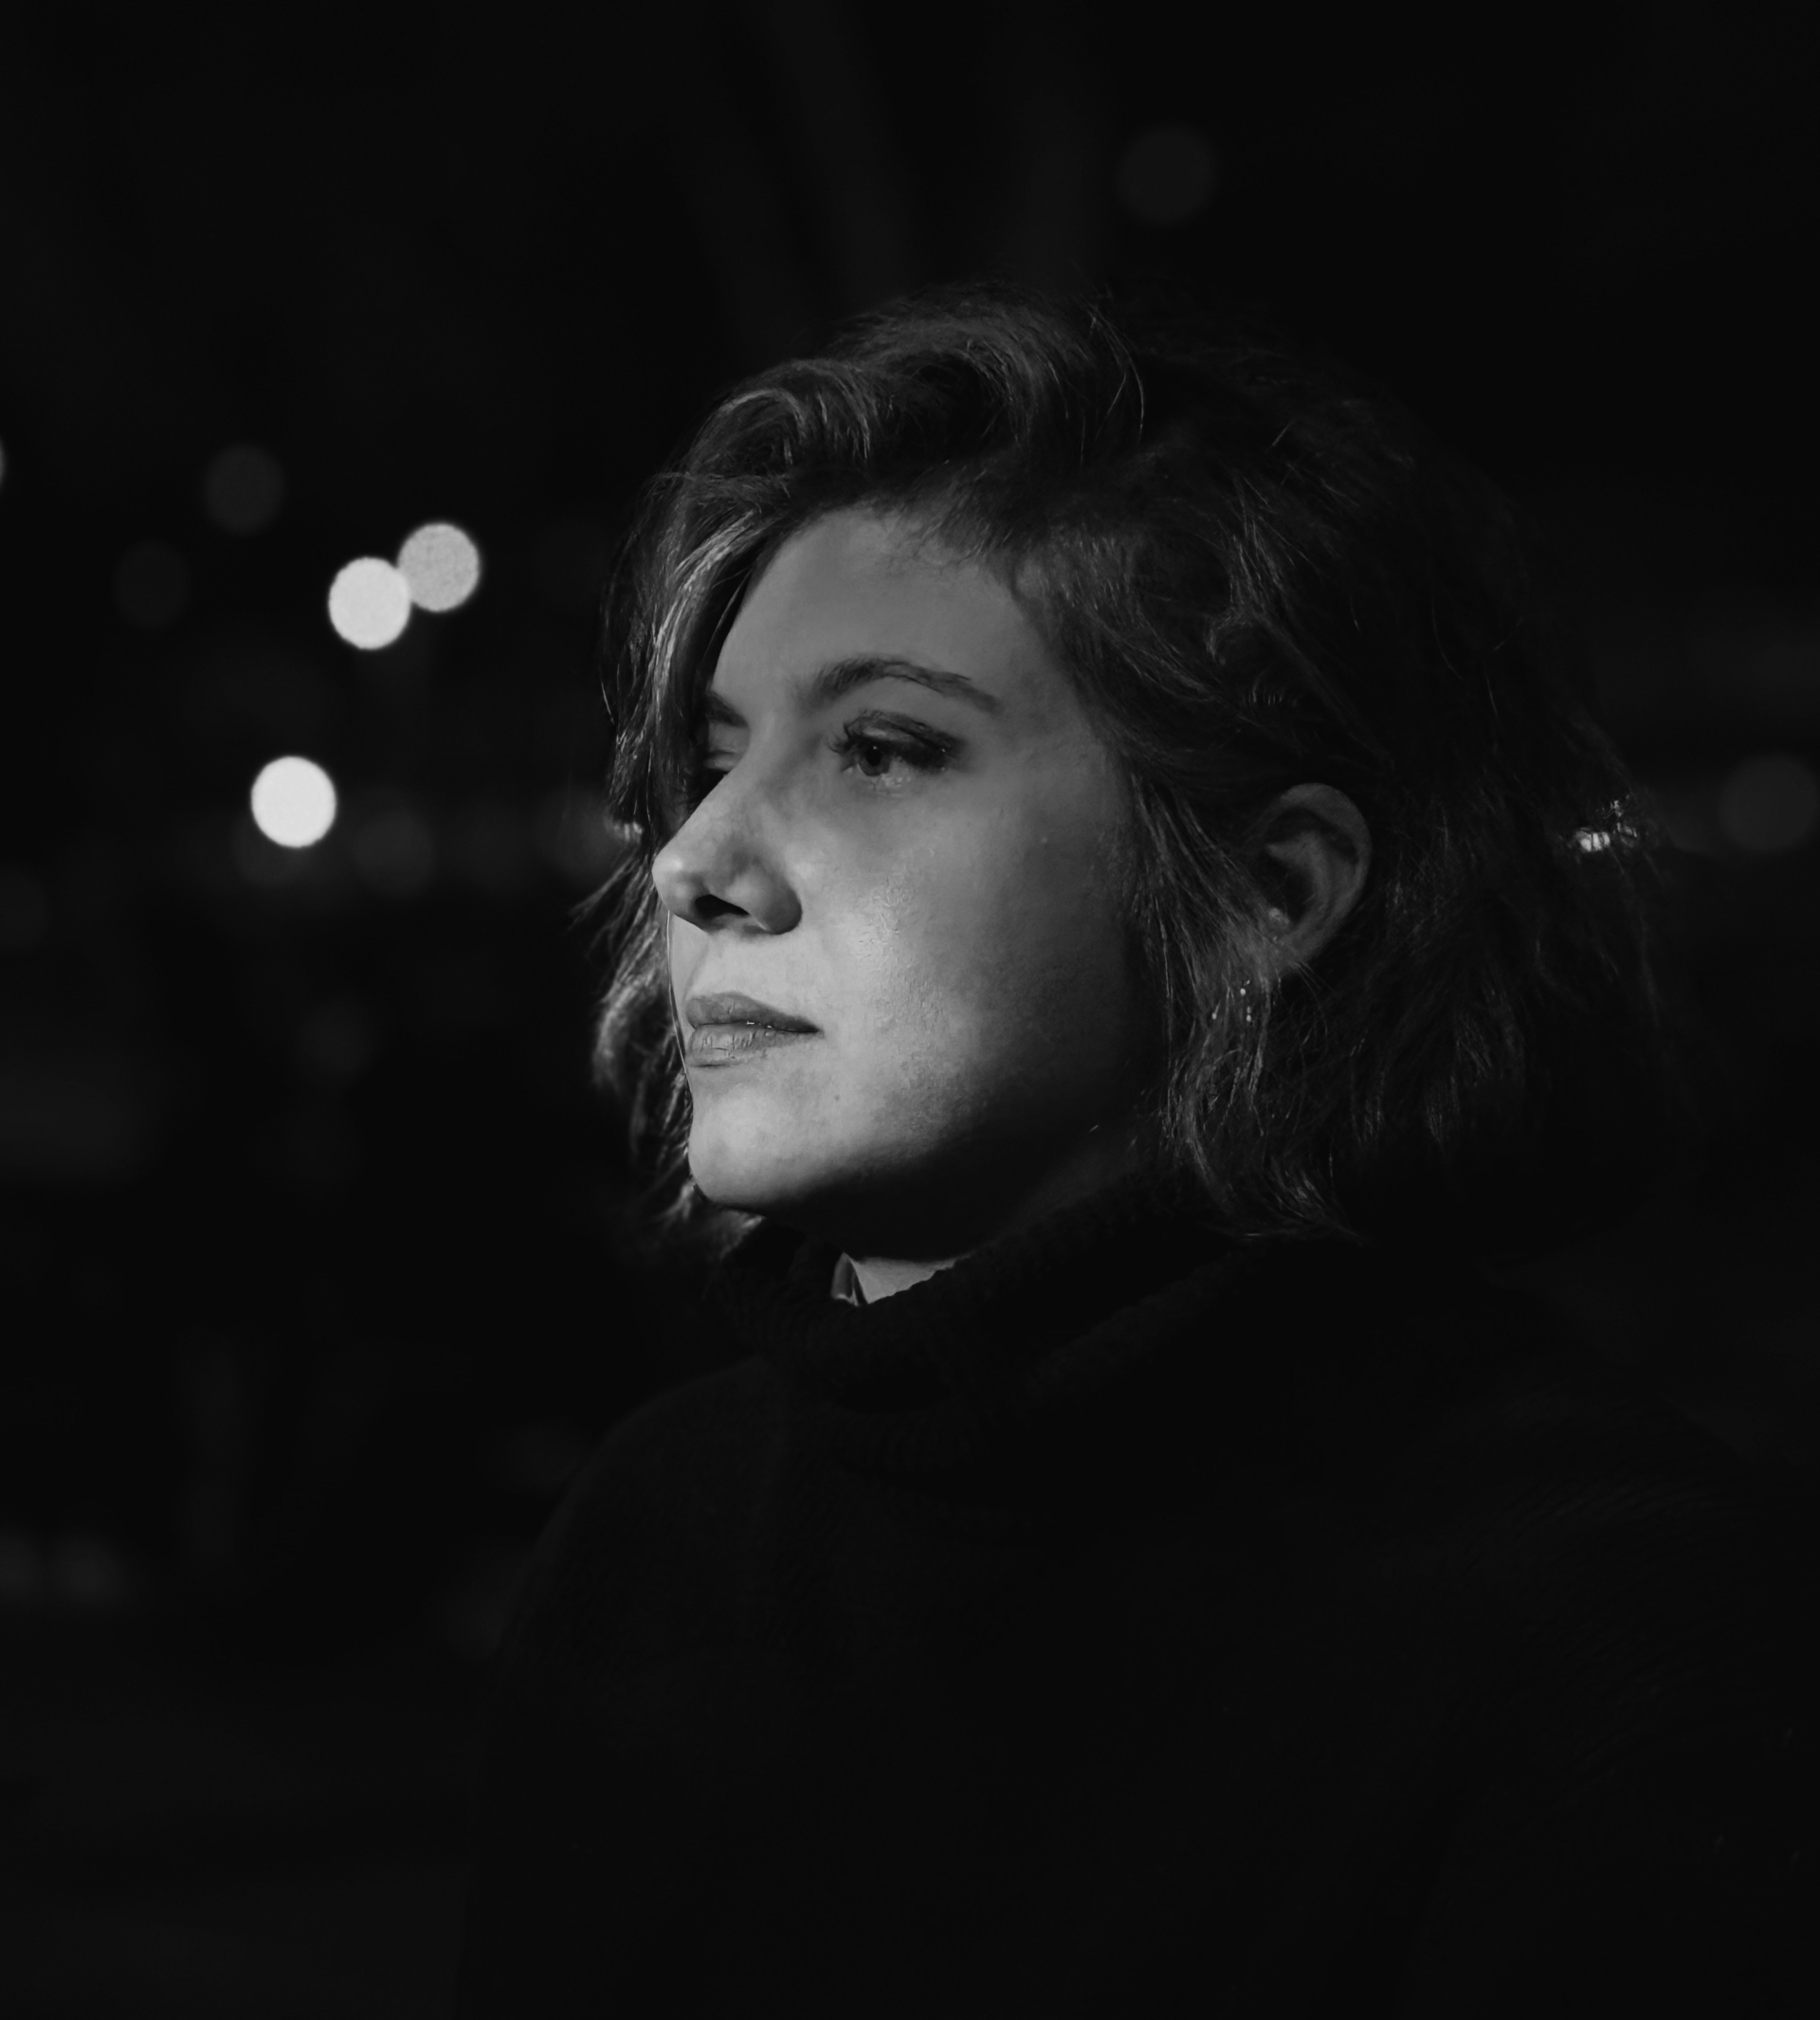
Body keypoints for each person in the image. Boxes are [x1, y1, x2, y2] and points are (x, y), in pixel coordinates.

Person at [454, 285, 1813, 2015]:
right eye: (714, 757)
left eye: (884, 749)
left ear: (1267, 891)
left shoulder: (1596, 1631)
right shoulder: (660, 1527)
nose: (696, 859)